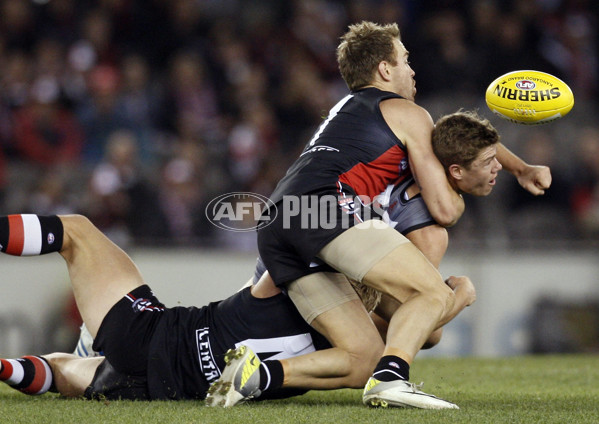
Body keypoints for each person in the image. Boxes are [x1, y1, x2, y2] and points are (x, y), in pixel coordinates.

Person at [206, 21, 551, 410]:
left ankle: (253, 375)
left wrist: (519, 167)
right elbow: (443, 209)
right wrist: (463, 283)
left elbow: (449, 137)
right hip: (324, 210)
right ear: (385, 70)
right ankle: (391, 380)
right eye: (405, 60)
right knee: (433, 292)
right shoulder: (407, 111)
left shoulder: (347, 110)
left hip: (280, 221)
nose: (412, 70)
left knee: (364, 358)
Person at [0, 214, 330, 400]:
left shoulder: (278, 287)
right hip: (154, 390)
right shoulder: (335, 357)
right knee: (60, 368)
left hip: (148, 335)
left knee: (75, 231)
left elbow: (286, 239)